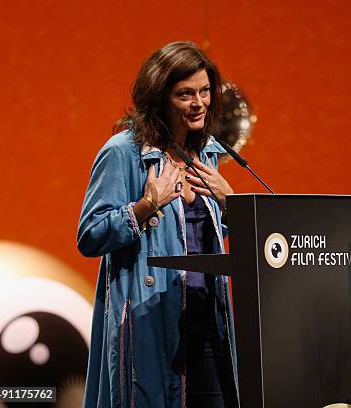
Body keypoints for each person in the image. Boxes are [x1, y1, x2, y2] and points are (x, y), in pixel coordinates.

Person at [78, 41, 239, 408]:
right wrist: (146, 205)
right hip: (152, 319)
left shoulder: (209, 152)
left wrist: (231, 206)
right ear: (160, 98)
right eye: (185, 94)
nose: (199, 103)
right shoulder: (124, 152)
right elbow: (89, 235)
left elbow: (206, 236)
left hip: (209, 320)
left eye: (204, 91)